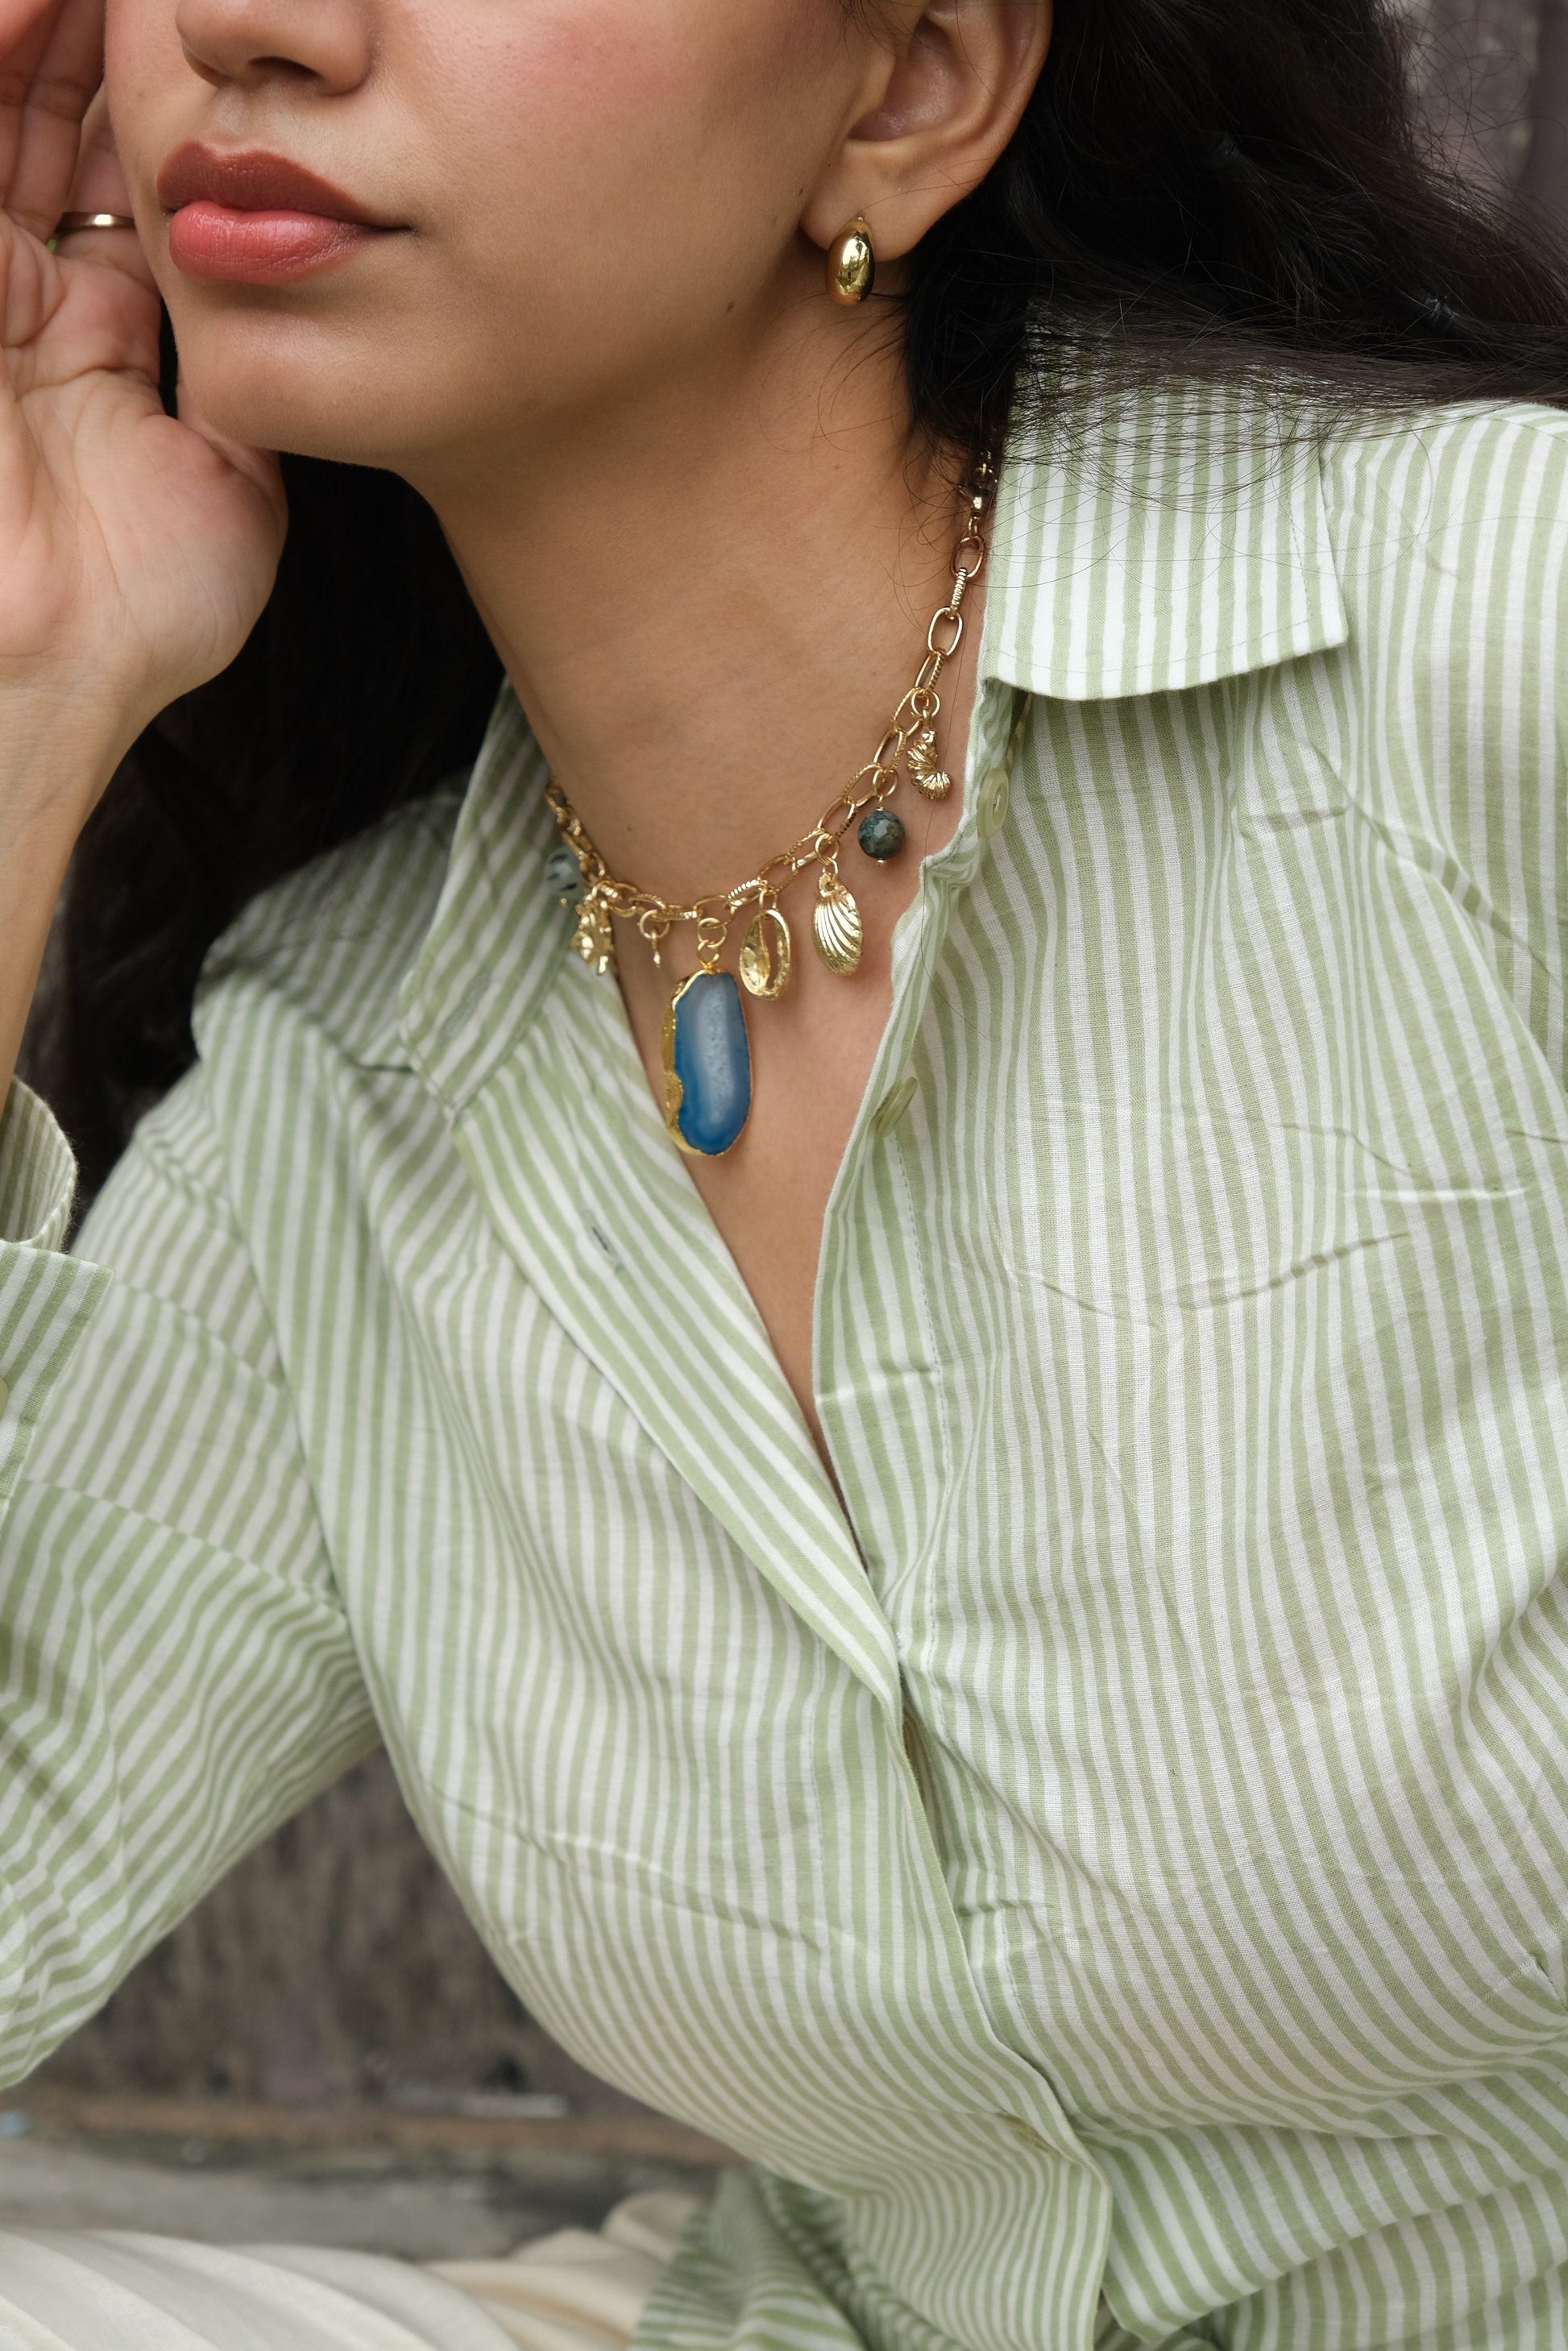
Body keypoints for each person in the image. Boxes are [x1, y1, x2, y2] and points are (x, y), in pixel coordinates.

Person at [5, 0, 1568, 2340]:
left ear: (908, 84)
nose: (256, 25)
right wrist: (27, 687)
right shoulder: (344, 1080)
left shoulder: (1487, 646)